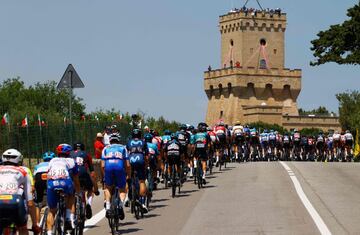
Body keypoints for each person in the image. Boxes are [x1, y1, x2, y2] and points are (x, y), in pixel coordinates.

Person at [0, 149, 39, 235]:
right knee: (22, 228)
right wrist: (35, 225)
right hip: (15, 202)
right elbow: (30, 203)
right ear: (19, 159)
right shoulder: (23, 172)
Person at [46, 144, 80, 233]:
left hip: (51, 183)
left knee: (52, 211)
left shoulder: (52, 160)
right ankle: (68, 217)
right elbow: (76, 178)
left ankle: (49, 232)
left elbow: (48, 172)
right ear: (69, 153)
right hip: (65, 182)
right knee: (71, 195)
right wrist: (78, 190)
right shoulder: (71, 161)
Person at [102, 133, 130, 220]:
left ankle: (107, 207)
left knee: (108, 188)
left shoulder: (105, 148)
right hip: (119, 168)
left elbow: (102, 165)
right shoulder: (123, 148)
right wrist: (128, 175)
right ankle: (121, 205)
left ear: (110, 141)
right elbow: (128, 165)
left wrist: (104, 176)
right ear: (119, 140)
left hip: (108, 168)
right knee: (123, 188)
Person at [72, 142, 99, 219]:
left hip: (73, 176)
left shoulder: (70, 154)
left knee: (72, 193)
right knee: (90, 190)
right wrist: (95, 188)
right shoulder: (86, 154)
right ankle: (89, 204)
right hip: (83, 174)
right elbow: (92, 171)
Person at [127, 129, 149, 213]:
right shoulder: (143, 142)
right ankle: (142, 203)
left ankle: (129, 197)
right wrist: (146, 165)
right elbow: (147, 156)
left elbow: (126, 154)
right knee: (142, 181)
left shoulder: (129, 142)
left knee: (128, 177)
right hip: (140, 160)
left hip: (131, 160)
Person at [33, 151, 55, 227]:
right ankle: (51, 220)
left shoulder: (37, 166)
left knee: (37, 204)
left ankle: (38, 224)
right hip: (50, 180)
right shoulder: (54, 164)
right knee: (52, 203)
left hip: (39, 179)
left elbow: (34, 178)